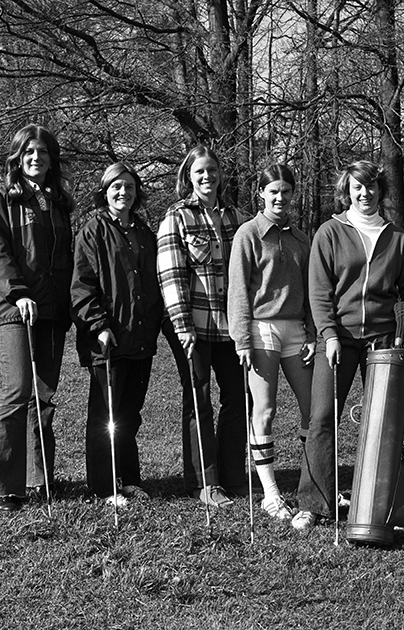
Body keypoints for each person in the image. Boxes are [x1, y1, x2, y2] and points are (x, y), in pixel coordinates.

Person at [292, 160, 404, 531]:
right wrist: (330, 335)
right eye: (356, 188)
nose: (364, 193)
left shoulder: (397, 237)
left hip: (385, 340)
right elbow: (319, 292)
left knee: (387, 420)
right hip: (339, 338)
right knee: (321, 418)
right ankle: (314, 503)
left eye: (370, 186)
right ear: (346, 192)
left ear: (380, 190)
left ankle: (387, 506)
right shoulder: (330, 232)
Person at [0, 124, 73, 512]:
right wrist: (18, 294)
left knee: (44, 398)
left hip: (52, 312)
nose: (37, 159)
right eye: (30, 152)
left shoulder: (59, 204)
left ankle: (40, 480)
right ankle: (3, 485)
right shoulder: (1, 199)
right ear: (17, 158)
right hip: (14, 310)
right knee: (18, 391)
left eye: (44, 153)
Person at [157, 145, 247, 507]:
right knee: (199, 398)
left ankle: (232, 475)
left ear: (220, 174)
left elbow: (248, 274)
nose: (207, 177)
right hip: (192, 324)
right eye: (199, 172)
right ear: (188, 177)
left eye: (212, 170)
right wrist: (182, 326)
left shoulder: (237, 217)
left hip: (231, 326)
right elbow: (170, 274)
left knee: (237, 397)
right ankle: (204, 482)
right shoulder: (177, 217)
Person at [71, 162, 163, 506]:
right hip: (107, 339)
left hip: (140, 338)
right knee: (105, 415)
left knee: (129, 414)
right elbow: (82, 286)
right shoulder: (92, 231)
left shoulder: (143, 232)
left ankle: (128, 478)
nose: (123, 192)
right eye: (116, 187)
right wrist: (99, 326)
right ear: (105, 191)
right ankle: (103, 486)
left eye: (129, 186)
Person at [228, 164, 316, 521]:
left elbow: (312, 289)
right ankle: (270, 494)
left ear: (293, 194)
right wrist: (242, 339)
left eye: (286, 191)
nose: (280, 198)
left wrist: (311, 331)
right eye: (273, 192)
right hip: (261, 330)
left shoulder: (301, 238)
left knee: (315, 409)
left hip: (296, 329)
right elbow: (237, 290)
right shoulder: (248, 234)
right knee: (264, 410)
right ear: (261, 194)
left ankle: (317, 486)